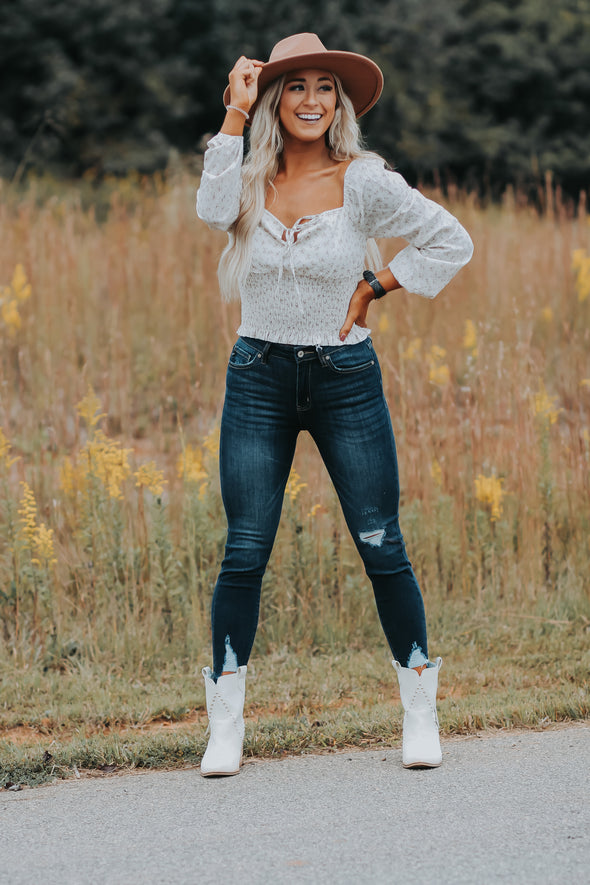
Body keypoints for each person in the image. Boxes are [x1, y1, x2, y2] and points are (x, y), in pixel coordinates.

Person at [196, 33, 473, 776]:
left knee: (381, 542)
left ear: (339, 103)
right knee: (245, 550)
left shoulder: (366, 181)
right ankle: (225, 725)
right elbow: (209, 206)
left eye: (325, 87)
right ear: (275, 101)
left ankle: (420, 711)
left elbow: (452, 240)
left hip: (344, 375)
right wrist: (233, 110)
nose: (312, 99)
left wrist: (377, 285)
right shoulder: (248, 178)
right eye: (296, 87)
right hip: (256, 374)